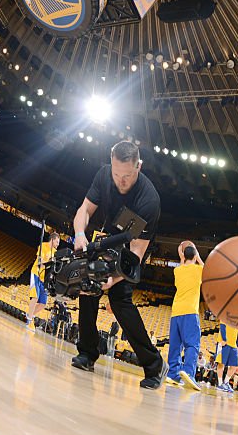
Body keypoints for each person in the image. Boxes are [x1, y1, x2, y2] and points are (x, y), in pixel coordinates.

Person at [70, 141, 165, 389]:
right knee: (88, 287)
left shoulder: (149, 200)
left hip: (129, 251)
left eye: (127, 176)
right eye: (116, 174)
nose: (120, 182)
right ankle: (87, 354)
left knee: (120, 302)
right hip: (104, 239)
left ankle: (154, 366)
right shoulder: (103, 175)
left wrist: (113, 279)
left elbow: (137, 252)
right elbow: (85, 210)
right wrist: (80, 234)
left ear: (139, 167)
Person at [165, 241, 203, 391]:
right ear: (194, 255)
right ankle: (188, 373)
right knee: (192, 344)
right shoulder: (198, 270)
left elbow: (182, 265)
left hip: (176, 311)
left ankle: (173, 374)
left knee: (175, 344)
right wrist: (198, 256)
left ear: (182, 256)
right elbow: (207, 269)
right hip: (190, 311)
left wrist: (182, 256)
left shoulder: (177, 271)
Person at [26, 232, 59, 330]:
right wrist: (49, 262)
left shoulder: (54, 252)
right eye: (57, 242)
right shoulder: (42, 246)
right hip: (36, 273)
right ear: (52, 240)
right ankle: (29, 319)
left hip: (44, 278)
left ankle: (30, 314)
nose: (58, 244)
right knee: (35, 297)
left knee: (43, 303)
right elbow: (40, 262)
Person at [216, 322, 238, 393]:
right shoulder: (225, 313)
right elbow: (222, 326)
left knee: (234, 365)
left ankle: (226, 382)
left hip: (233, 345)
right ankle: (220, 384)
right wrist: (224, 339)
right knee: (221, 363)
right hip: (224, 343)